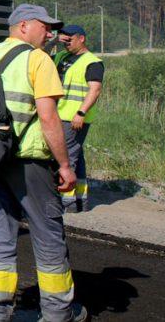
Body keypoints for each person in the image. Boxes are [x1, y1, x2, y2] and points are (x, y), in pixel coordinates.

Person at [0, 4, 86, 322]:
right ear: (22, 26)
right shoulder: (38, 60)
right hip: (30, 164)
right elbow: (49, 120)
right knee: (48, 237)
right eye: (44, 26)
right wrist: (64, 165)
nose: (50, 33)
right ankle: (59, 313)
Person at [54, 25, 103, 213]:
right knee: (77, 157)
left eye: (70, 39)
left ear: (81, 38)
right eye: (63, 40)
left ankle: (65, 203)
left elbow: (95, 90)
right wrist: (53, 41)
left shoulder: (92, 62)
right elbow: (39, 56)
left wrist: (81, 113)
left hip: (74, 118)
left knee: (66, 158)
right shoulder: (62, 57)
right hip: (59, 114)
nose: (66, 43)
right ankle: (79, 201)